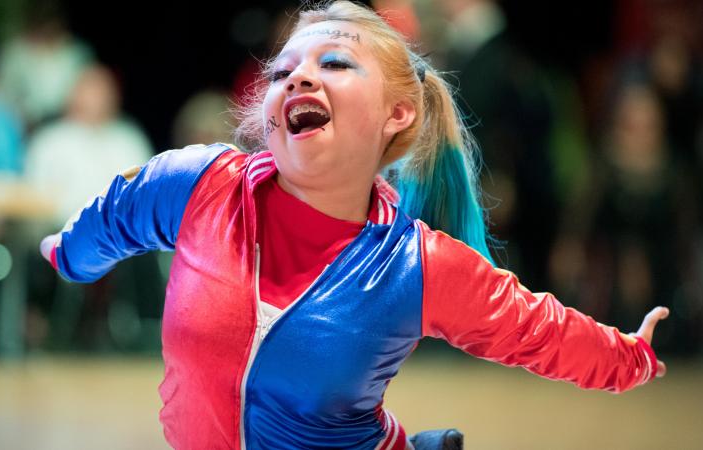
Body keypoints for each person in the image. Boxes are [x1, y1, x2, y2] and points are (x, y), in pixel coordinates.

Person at [39, 2, 669, 449]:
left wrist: (629, 357)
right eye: (282, 71)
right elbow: (118, 213)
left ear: (398, 112)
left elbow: (535, 328)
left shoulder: (417, 265)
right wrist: (68, 254)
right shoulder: (201, 184)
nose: (298, 76)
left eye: (335, 62)